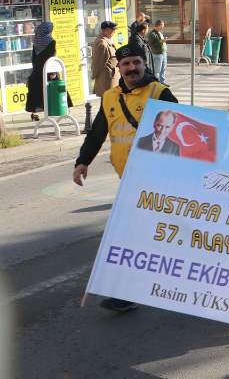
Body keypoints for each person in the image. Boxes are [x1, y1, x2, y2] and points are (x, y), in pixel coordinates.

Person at [73, 44, 177, 313]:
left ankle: (126, 292)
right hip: (128, 179)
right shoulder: (110, 96)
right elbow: (97, 132)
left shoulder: (159, 93)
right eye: (126, 64)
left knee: (132, 237)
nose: (131, 68)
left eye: (136, 63)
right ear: (118, 67)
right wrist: (82, 161)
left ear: (145, 64)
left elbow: (181, 133)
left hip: (158, 180)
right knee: (147, 237)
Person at [26, 22, 73, 121]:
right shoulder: (50, 41)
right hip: (49, 67)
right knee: (57, 87)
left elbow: (34, 57)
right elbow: (51, 56)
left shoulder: (37, 41)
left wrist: (35, 68)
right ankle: (64, 107)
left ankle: (34, 113)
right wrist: (52, 72)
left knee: (37, 90)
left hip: (38, 68)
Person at [91, 20, 121, 98]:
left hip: (110, 78)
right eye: (113, 29)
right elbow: (98, 63)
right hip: (107, 79)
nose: (114, 32)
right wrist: (94, 76)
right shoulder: (103, 43)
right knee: (107, 103)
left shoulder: (105, 41)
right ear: (107, 29)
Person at [147, 19, 168, 84]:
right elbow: (151, 44)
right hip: (157, 54)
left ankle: (162, 82)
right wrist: (159, 42)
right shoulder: (152, 34)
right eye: (162, 25)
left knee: (163, 69)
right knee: (157, 70)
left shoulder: (160, 32)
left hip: (163, 53)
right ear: (159, 26)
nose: (163, 27)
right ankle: (156, 83)